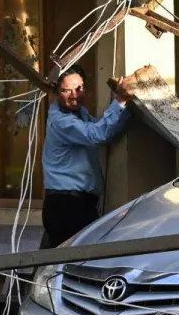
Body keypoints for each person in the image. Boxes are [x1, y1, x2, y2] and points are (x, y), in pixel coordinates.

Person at [41, 67, 132, 248]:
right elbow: (98, 134)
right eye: (67, 90)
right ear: (57, 92)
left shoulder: (79, 113)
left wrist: (130, 107)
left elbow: (106, 134)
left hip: (78, 204)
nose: (75, 95)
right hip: (66, 206)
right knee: (73, 265)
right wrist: (120, 100)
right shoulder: (62, 121)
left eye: (79, 88)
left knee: (68, 265)